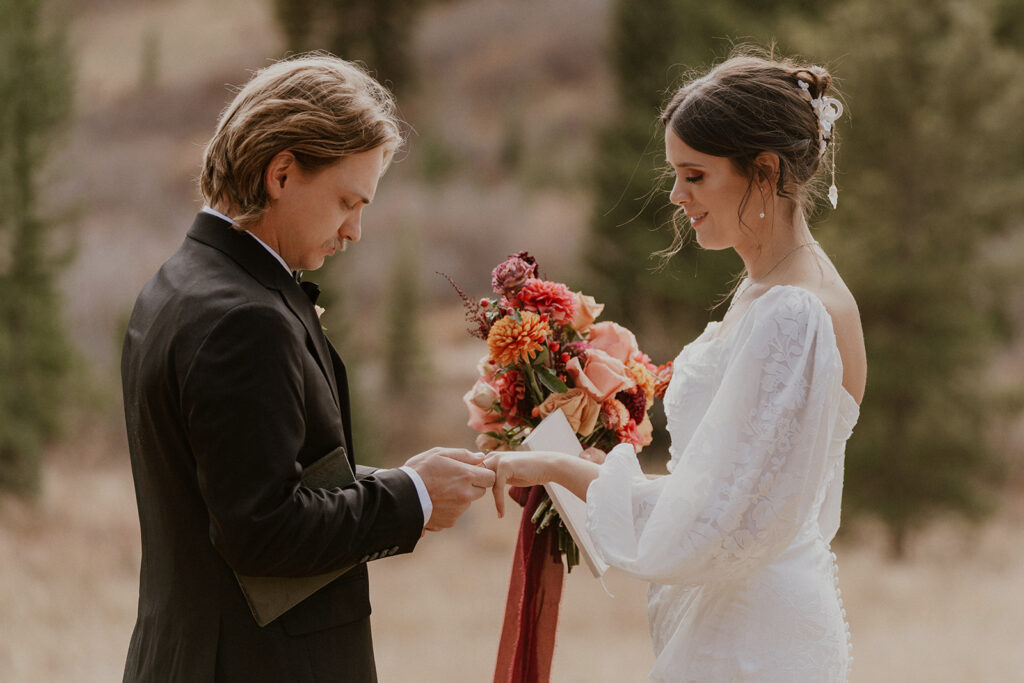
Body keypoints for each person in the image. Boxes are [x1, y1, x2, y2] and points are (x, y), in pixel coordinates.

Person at [485, 50, 866, 682]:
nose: (675, 195)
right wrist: (585, 467)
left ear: (764, 171)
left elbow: (722, 527)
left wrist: (557, 467)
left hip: (751, 639)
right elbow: (732, 496)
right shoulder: (770, 291)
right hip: (737, 615)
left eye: (695, 175)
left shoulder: (793, 312)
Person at [121, 54, 495, 682]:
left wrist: (401, 480)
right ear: (283, 173)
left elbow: (249, 480)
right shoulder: (245, 317)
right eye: (347, 200)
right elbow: (262, 529)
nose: (354, 230)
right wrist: (415, 496)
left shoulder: (181, 282)